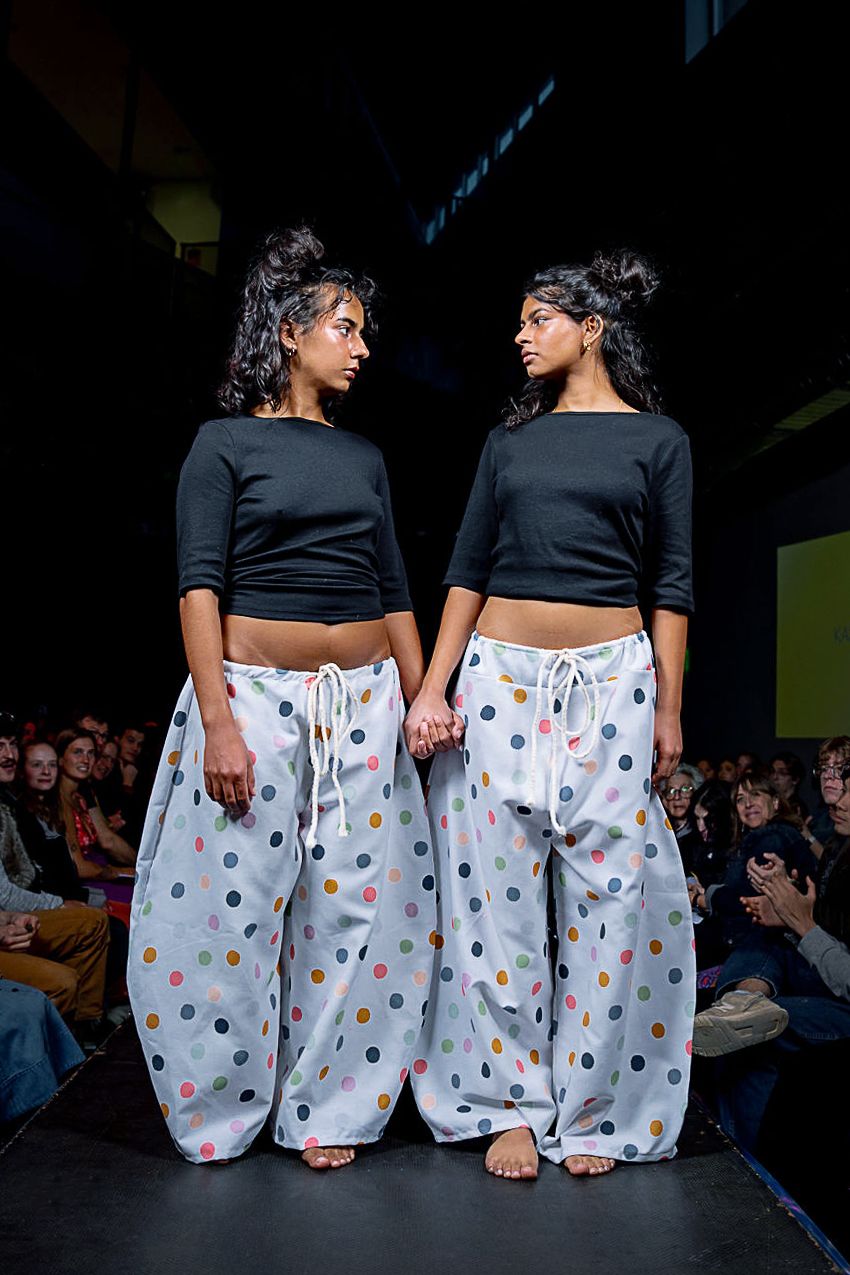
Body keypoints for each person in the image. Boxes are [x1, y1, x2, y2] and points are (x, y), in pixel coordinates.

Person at [127, 226, 435, 1169]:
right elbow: (197, 588)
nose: (363, 346)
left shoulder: (365, 457)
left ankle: (326, 1109)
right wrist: (218, 719)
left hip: (365, 702)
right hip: (253, 699)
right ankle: (219, 1109)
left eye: (364, 330)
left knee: (354, 913)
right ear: (290, 333)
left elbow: (393, 589)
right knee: (226, 911)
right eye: (346, 326)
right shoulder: (223, 443)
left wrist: (423, 701)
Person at [404, 249, 695, 1180]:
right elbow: (467, 568)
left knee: (612, 899)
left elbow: (673, 585)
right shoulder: (509, 444)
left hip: (615, 679)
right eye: (521, 320)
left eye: (537, 319)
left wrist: (669, 710)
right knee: (496, 902)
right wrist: (433, 687)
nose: (520, 334)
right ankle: (509, 1106)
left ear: (591, 328)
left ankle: (597, 1110)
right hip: (499, 678)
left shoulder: (660, 440)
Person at [691, 773, 850, 1150]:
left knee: (753, 1038)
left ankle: (748, 1164)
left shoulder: (774, 837)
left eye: (847, 793)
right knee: (766, 938)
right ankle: (740, 1005)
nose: (836, 801)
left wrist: (803, 924)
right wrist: (791, 919)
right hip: (823, 972)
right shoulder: (838, 852)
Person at [688, 770, 816, 949]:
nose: (748, 803)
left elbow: (748, 901)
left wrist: (700, 898)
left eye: (756, 794)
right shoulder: (757, 838)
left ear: (775, 802)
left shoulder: (773, 837)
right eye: (740, 799)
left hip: (768, 948)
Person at [55, 728, 136, 904]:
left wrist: (142, 865)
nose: (86, 760)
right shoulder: (59, 799)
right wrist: (117, 872)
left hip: (97, 871)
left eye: (91, 753)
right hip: (82, 879)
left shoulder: (82, 794)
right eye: (77, 752)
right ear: (60, 758)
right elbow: (78, 867)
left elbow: (108, 838)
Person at [659, 764, 703, 875]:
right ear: (664, 799)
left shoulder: (703, 831)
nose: (677, 797)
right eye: (671, 791)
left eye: (685, 789)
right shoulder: (658, 831)